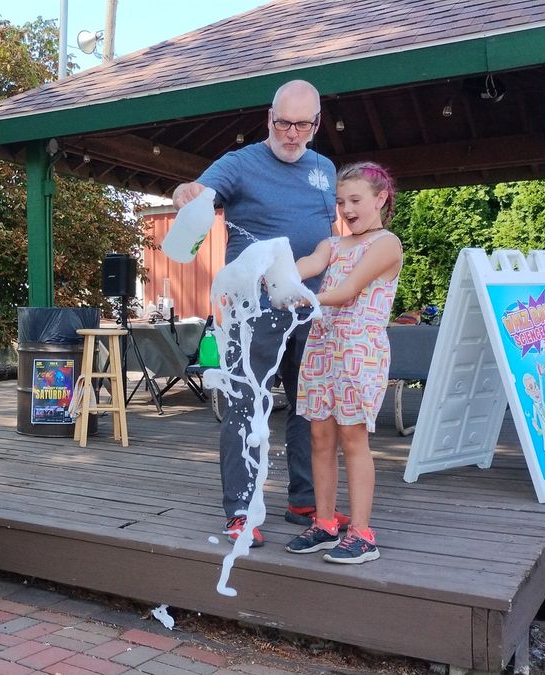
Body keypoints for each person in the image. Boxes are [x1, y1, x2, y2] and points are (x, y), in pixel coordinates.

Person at [171, 80, 339, 545]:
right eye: (283, 123)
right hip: (252, 315)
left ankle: (304, 499)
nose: (291, 133)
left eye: (301, 125)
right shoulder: (239, 163)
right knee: (246, 407)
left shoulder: (324, 168)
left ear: (316, 124)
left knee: (309, 409)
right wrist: (186, 192)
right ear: (269, 118)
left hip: (307, 310)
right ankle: (241, 511)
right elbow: (197, 192)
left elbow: (326, 237)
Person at [282, 162, 402, 564]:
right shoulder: (332, 244)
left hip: (358, 351)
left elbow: (349, 291)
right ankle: (326, 523)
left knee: (353, 439)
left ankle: (363, 533)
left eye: (355, 200)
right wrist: (280, 274)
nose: (347, 209)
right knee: (319, 437)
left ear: (380, 199)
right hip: (321, 347)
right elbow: (309, 266)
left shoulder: (386, 244)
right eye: (340, 202)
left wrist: (299, 295)